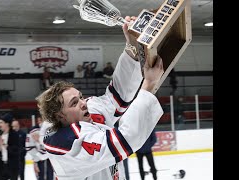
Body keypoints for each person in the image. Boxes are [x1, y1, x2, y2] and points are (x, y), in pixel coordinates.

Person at [35, 16, 165, 180]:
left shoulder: (87, 111)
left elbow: (116, 97)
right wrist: (149, 84)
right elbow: (124, 140)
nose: (84, 103)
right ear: (59, 116)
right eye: (74, 102)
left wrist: (132, 47)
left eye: (80, 97)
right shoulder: (62, 143)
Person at [0, 113, 20, 180]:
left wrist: (5, 145)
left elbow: (17, 151)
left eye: (1, 122)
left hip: (12, 165)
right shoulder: (0, 134)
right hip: (2, 165)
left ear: (7, 124)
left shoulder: (15, 135)